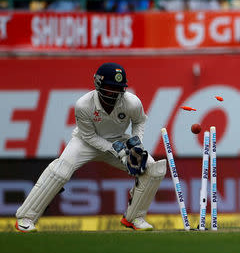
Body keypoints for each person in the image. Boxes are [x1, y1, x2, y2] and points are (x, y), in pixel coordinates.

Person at [15, 62, 167, 232]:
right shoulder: (83, 105)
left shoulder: (132, 102)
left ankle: (134, 217)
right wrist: (117, 150)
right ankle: (26, 217)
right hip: (85, 143)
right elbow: (89, 136)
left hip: (118, 140)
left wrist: (136, 143)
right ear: (99, 84)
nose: (114, 93)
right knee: (59, 171)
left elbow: (140, 121)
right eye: (110, 88)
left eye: (118, 89)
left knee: (153, 168)